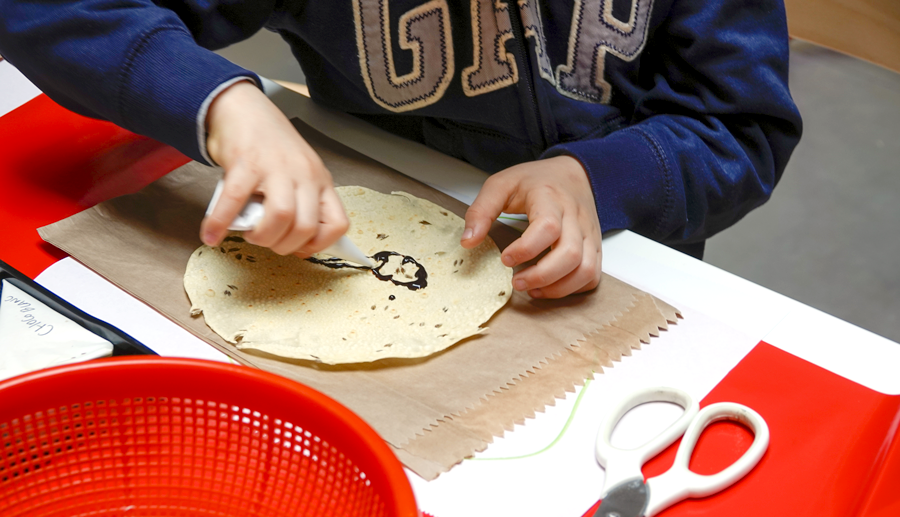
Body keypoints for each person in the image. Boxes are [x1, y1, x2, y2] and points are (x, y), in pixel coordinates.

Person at [0, 0, 801, 299]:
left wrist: (604, 176)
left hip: (629, 275)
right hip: (357, 261)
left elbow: (739, 124)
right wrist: (221, 105)